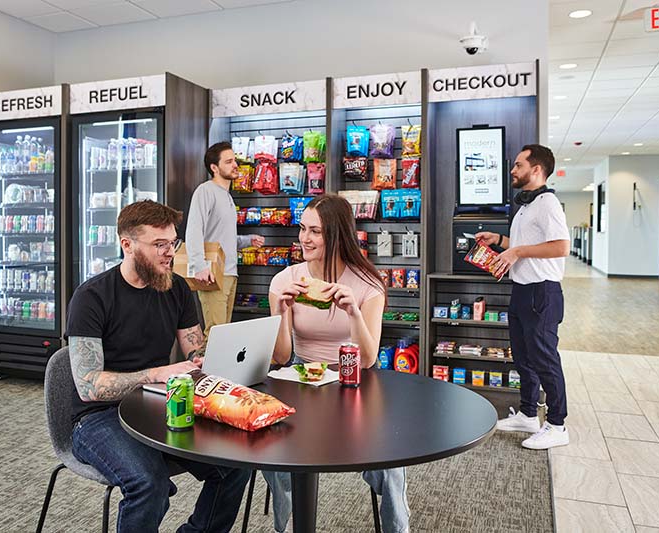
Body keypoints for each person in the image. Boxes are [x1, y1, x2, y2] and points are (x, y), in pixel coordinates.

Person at [66, 200, 251, 532]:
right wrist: (154, 374)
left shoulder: (176, 288)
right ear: (127, 245)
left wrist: (209, 359)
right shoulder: (92, 296)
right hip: (97, 418)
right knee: (149, 485)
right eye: (159, 244)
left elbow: (195, 349)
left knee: (235, 465)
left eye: (173, 242)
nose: (170, 252)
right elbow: (88, 385)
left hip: (158, 404)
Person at [264, 194, 410, 533]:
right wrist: (280, 312)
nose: (304, 238)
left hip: (353, 379)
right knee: (271, 446)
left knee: (390, 462)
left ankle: (397, 527)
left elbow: (369, 358)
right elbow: (282, 357)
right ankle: (285, 525)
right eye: (303, 229)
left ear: (337, 235)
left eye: (315, 231)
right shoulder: (285, 280)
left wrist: (353, 313)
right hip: (299, 375)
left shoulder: (368, 284)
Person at [476, 144, 570, 451]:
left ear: (537, 170)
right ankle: (529, 413)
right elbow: (526, 244)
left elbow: (560, 247)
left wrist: (516, 250)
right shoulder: (528, 206)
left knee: (545, 359)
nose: (513, 171)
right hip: (522, 290)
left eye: (518, 165)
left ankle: (557, 424)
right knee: (523, 356)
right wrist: (501, 241)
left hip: (542, 292)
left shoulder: (548, 204)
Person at [186, 142, 264, 336]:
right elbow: (194, 229)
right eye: (228, 162)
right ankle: (206, 367)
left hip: (229, 272)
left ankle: (218, 367)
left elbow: (222, 236)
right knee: (214, 334)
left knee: (222, 335)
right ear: (214, 168)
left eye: (235, 160)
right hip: (212, 273)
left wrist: (247, 240)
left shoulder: (227, 196)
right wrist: (199, 266)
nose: (235, 165)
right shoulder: (205, 191)